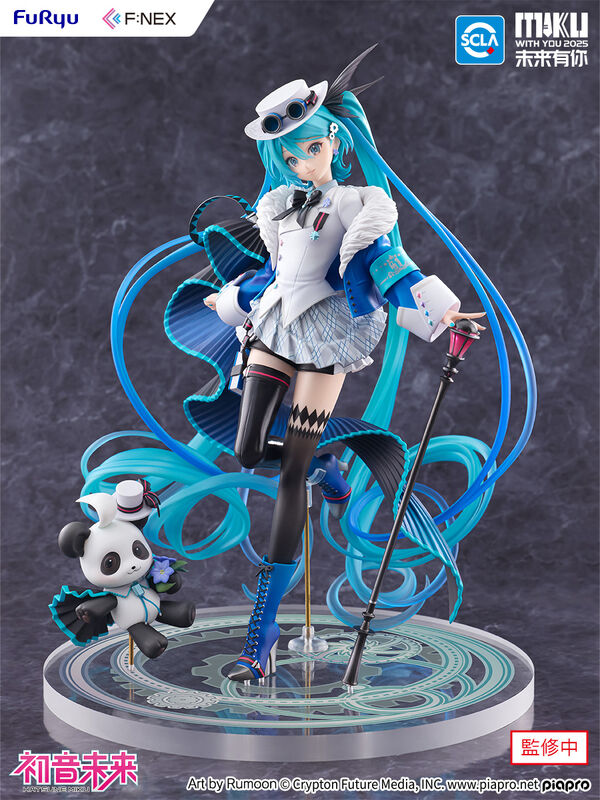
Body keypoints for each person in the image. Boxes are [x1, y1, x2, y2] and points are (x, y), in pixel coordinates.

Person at [194, 48, 485, 681]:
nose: (302, 161)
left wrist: (441, 315)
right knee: (248, 450)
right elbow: (279, 273)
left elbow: (387, 265)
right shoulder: (277, 205)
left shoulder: (361, 203)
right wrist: (231, 296)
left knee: (289, 476)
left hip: (328, 336)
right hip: (274, 326)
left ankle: (261, 634)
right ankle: (329, 463)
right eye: (290, 155)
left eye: (310, 148)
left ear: (334, 141)